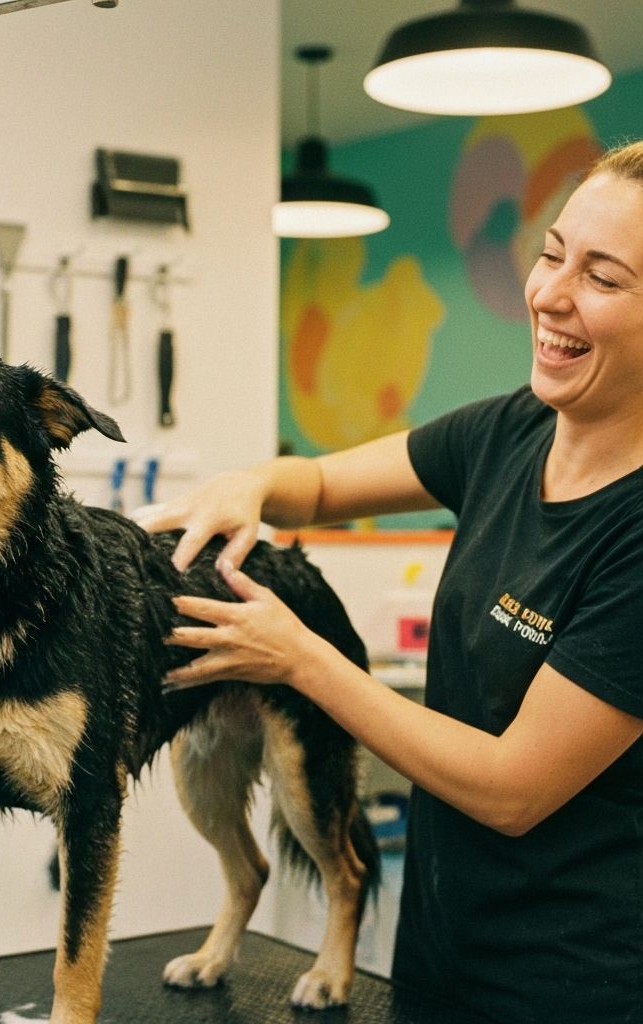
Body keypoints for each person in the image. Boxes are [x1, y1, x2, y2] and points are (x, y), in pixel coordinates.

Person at [133, 140, 643, 1024]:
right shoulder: (513, 431)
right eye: (553, 252)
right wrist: (250, 482)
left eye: (603, 277)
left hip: (575, 987)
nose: (550, 295)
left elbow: (513, 789)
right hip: (440, 960)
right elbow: (323, 484)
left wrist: (301, 660)